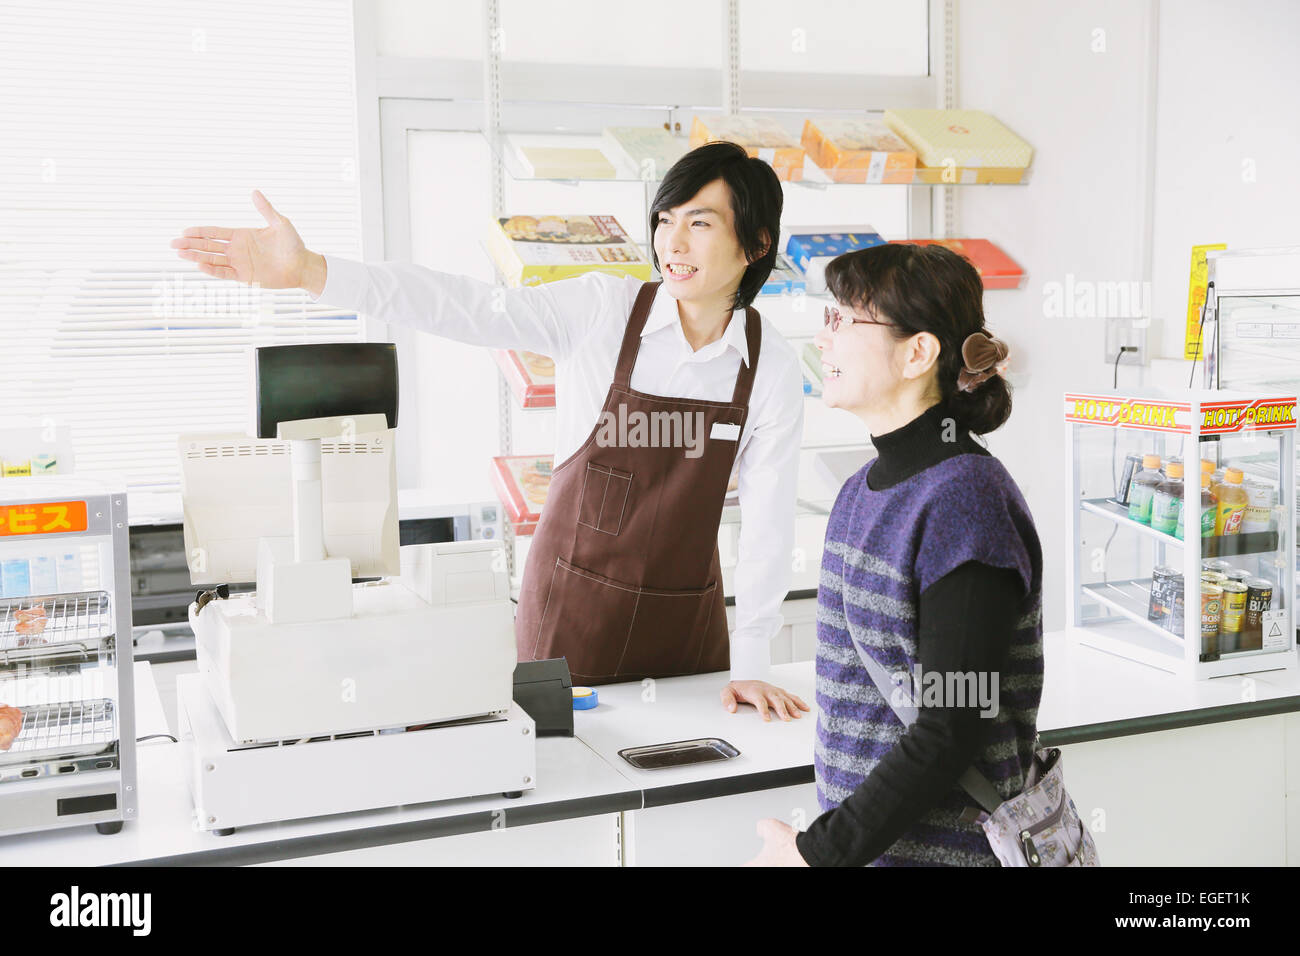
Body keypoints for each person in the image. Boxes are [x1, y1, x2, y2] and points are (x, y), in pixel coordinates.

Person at [172, 141, 810, 720]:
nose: (673, 243)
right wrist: (314, 272)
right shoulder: (601, 312)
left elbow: (768, 524)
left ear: (755, 245)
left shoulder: (771, 366)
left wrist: (753, 662)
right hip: (571, 611)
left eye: (700, 224)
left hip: (687, 626)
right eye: (665, 220)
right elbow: (464, 305)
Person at [746, 243, 1043, 865]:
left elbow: (952, 726)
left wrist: (818, 853)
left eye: (844, 321)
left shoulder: (966, 501)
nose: (823, 340)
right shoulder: (862, 490)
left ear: (918, 352)